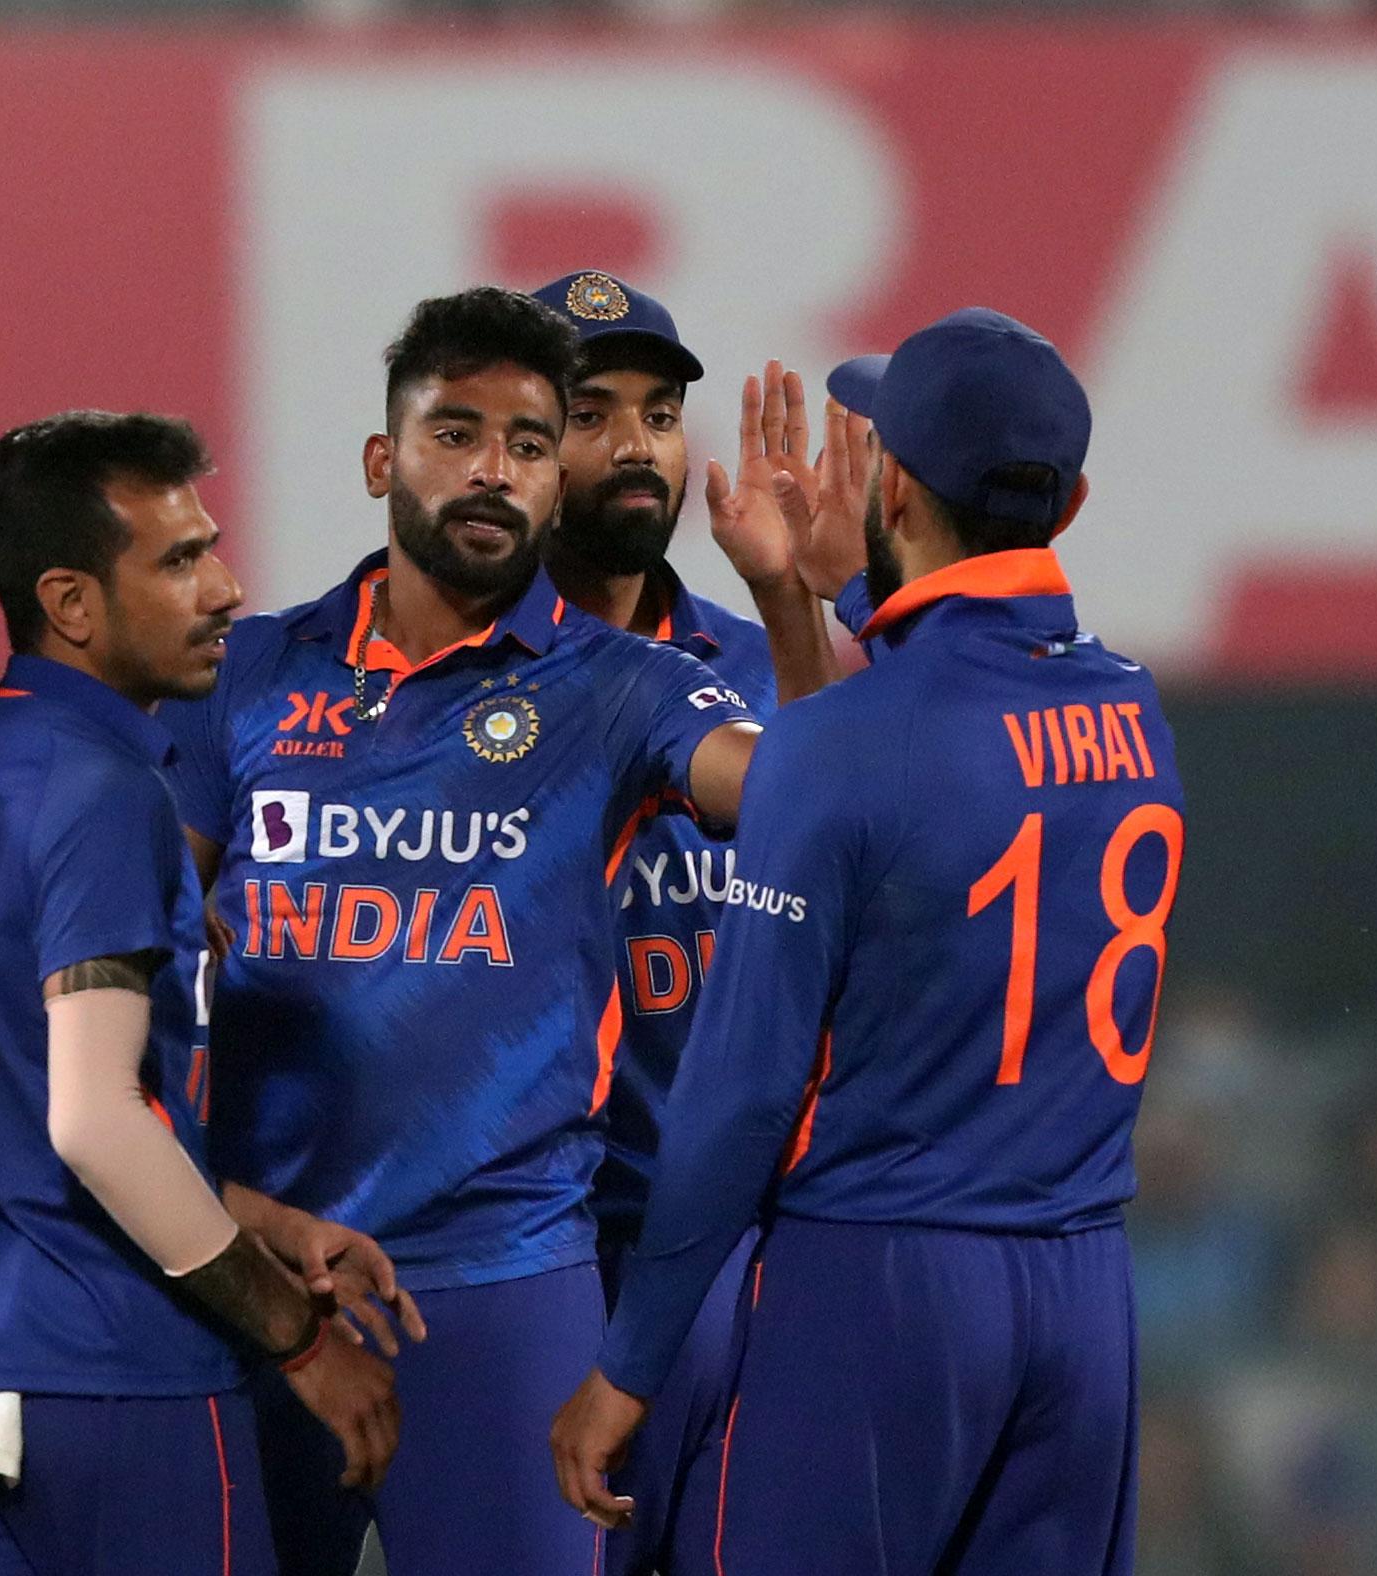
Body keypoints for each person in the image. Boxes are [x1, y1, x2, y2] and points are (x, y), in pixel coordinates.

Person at [157, 286, 798, 1576]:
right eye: (457, 434)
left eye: (524, 442)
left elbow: (806, 801)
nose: (493, 470)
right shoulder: (249, 673)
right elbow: (131, 951)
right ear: (382, 460)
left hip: (502, 1282)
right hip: (257, 1280)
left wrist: (794, 601)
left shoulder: (625, 687)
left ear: (555, 481)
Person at [557, 308, 1183, 1576]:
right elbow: (963, 709)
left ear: (892, 484)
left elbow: (739, 1092)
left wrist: (629, 1365)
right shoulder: (1133, 706)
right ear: (1067, 506)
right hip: (1083, 1298)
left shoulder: (844, 745)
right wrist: (840, 589)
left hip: (879, 1283)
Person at [0, 412, 412, 1576]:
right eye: (179, 561)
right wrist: (299, 1339)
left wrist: (263, 1224)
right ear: (72, 603)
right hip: (117, 1378)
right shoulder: (105, 789)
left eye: (211, 547)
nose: (227, 588)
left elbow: (12, 1092)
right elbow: (92, 1121)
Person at [527, 269, 810, 1575]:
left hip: (726, 1254)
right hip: (523, 1255)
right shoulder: (443, 692)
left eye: (656, 410)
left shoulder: (758, 669)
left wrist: (794, 601)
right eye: (592, 413)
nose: (635, 442)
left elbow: (844, 834)